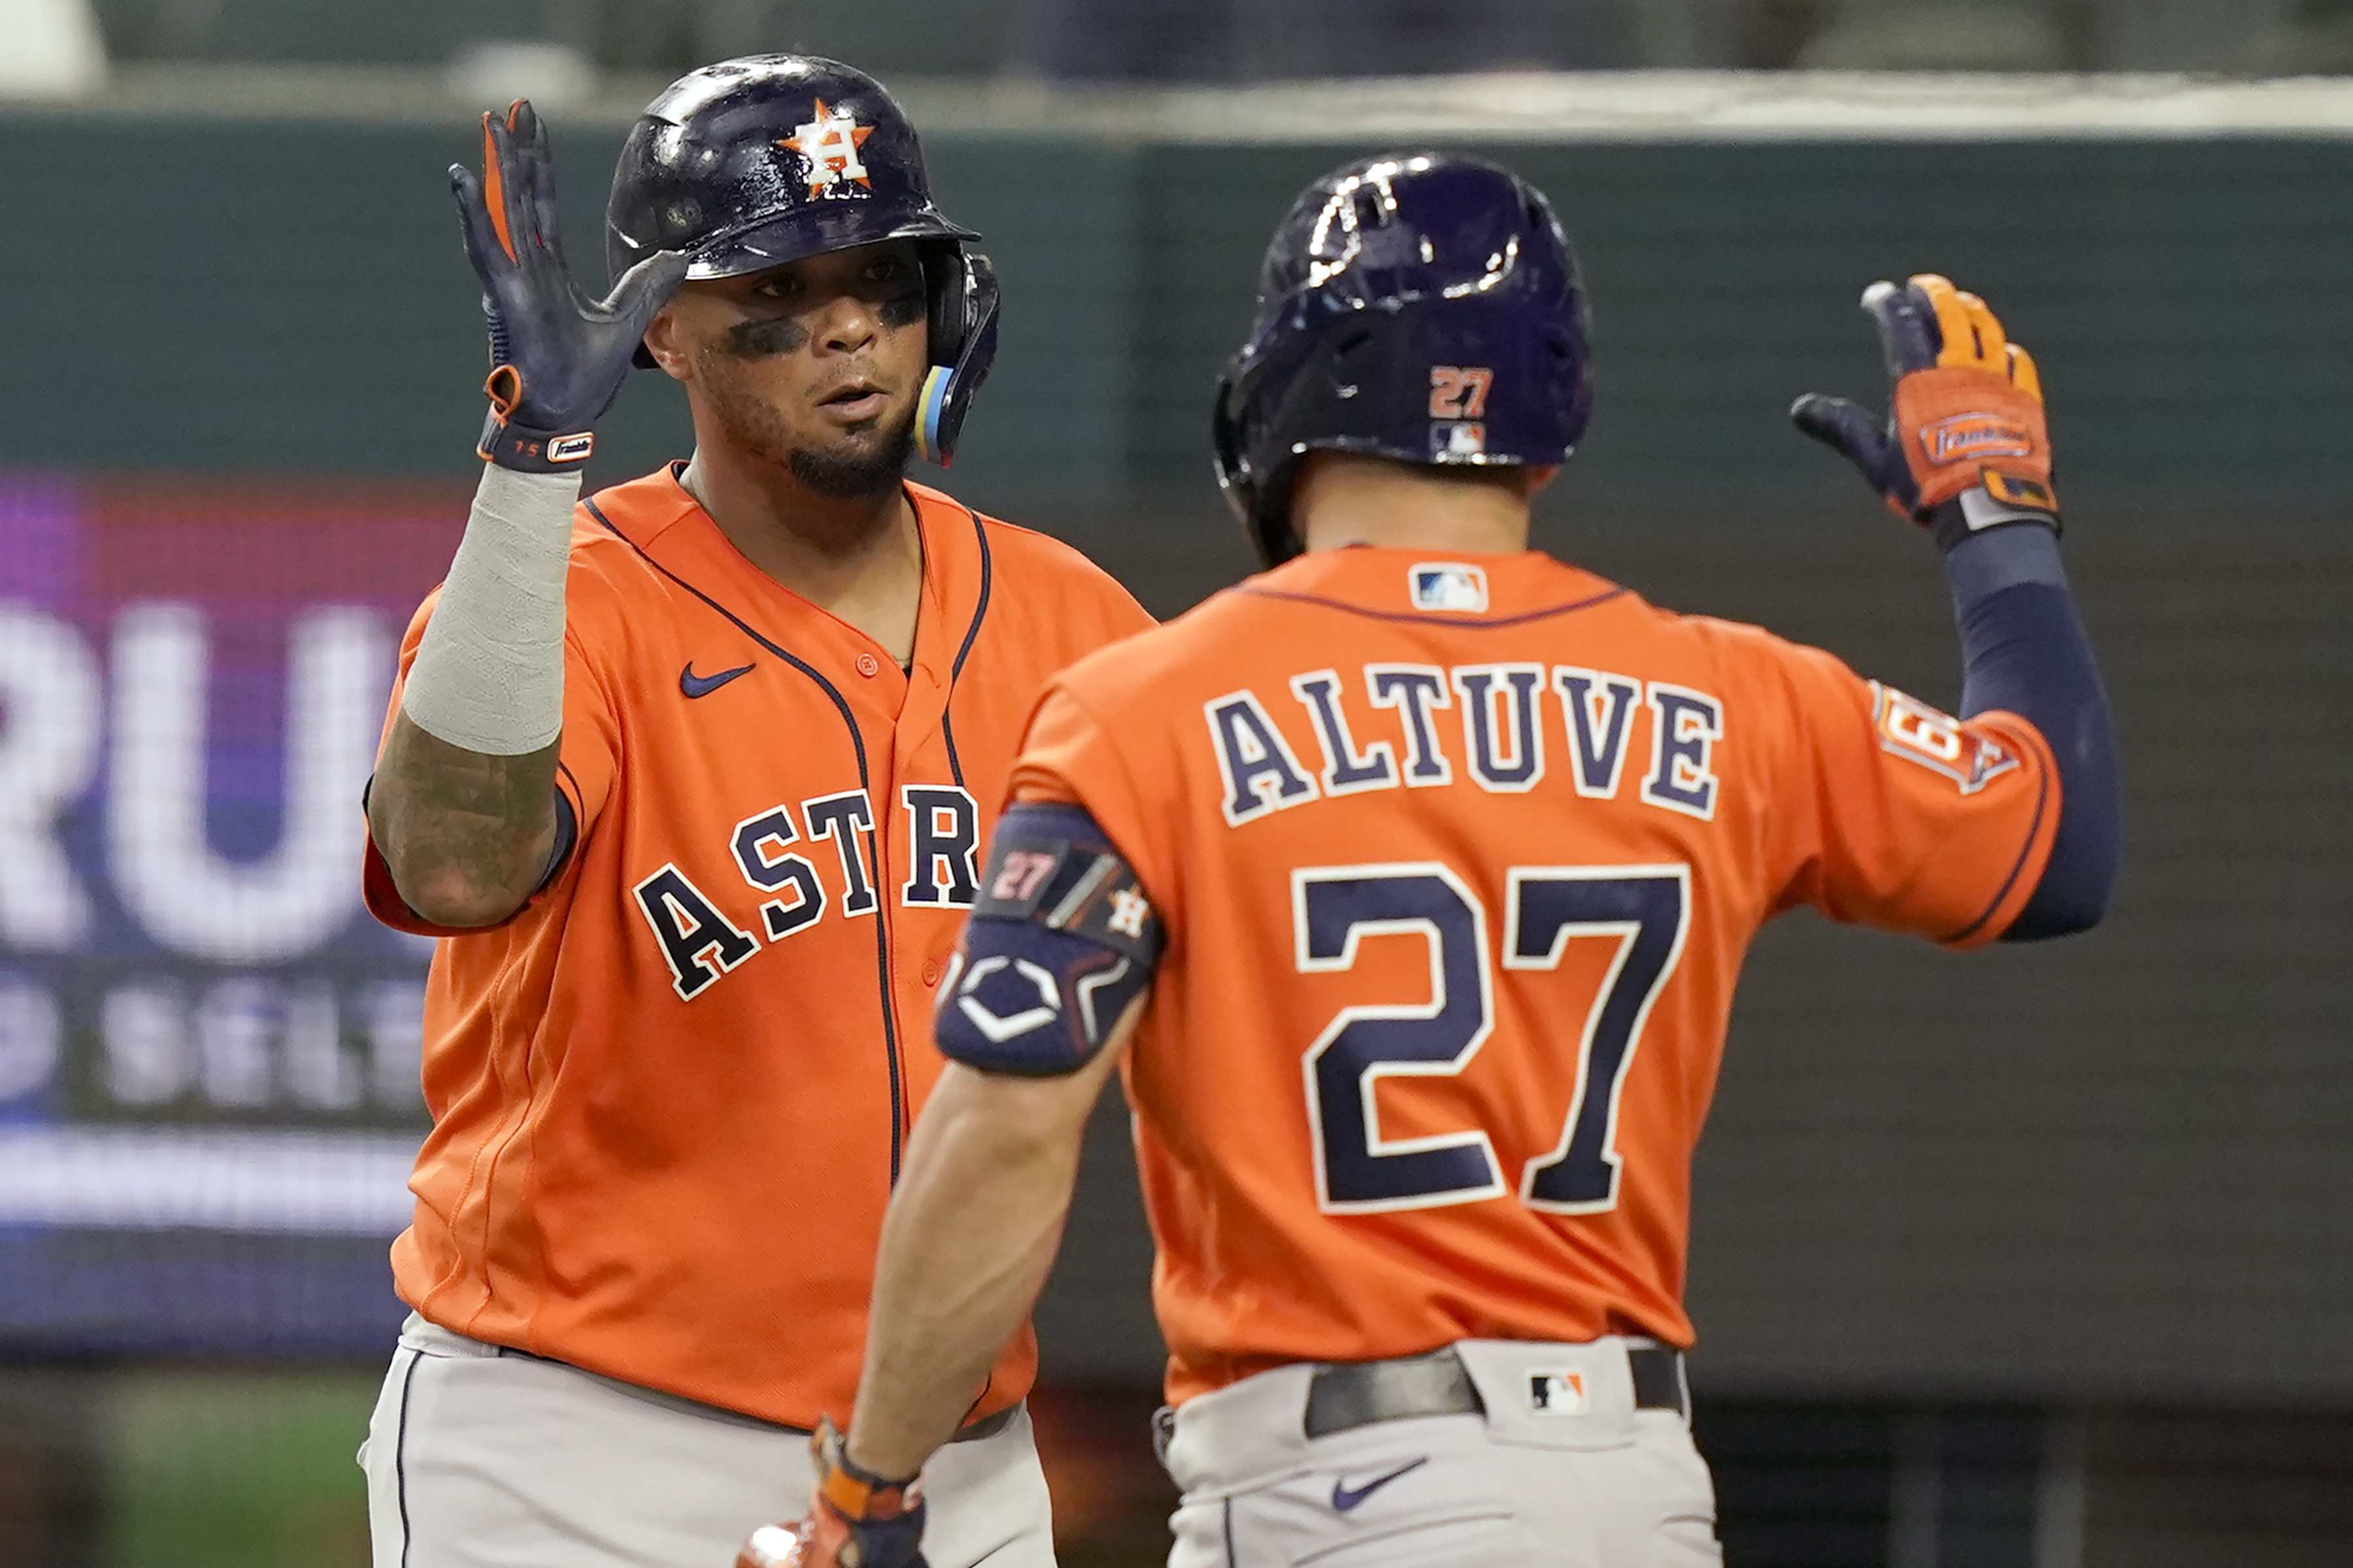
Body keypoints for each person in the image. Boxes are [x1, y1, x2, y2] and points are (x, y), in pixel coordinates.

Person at [738, 152, 2119, 1568]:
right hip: (1637, 1486)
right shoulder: (1736, 694)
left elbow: (1010, 1126)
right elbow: (2055, 847)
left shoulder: (1150, 707)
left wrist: (872, 1489)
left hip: (1344, 1486)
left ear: (1283, 383)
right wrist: (1996, 526)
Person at [356, 54, 1151, 1568]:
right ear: (666, 329)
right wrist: (530, 468)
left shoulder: (1078, 621)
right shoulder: (563, 602)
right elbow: (451, 866)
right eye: (779, 294)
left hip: (952, 1454)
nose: (849, 329)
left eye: (883, 281)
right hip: (575, 1445)